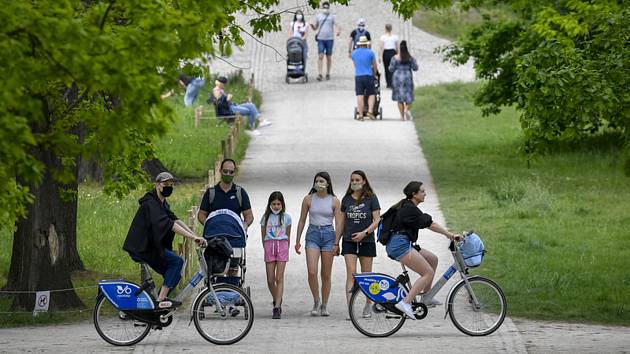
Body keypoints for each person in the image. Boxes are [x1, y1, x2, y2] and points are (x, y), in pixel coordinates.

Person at [123, 172, 207, 309]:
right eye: (165, 184)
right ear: (157, 185)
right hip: (142, 247)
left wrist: (195, 235)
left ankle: (155, 306)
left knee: (175, 274)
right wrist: (192, 238)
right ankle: (161, 301)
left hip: (150, 246)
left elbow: (175, 219)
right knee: (177, 262)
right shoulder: (151, 203)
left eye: (171, 184)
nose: (169, 187)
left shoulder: (161, 202)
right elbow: (169, 224)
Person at [384, 181, 460, 319]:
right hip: (399, 244)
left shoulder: (408, 206)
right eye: (423, 191)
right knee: (428, 273)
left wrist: (448, 234)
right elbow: (431, 224)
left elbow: (426, 224)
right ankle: (405, 303)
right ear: (414, 194)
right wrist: (450, 235)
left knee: (433, 259)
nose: (425, 194)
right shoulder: (410, 208)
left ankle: (427, 296)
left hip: (402, 242)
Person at [294, 171, 342, 316]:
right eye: (317, 181)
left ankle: (325, 305)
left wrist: (336, 243)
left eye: (322, 181)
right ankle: (316, 300)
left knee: (326, 274)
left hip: (328, 235)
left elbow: (339, 223)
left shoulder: (334, 200)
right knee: (312, 270)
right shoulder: (308, 199)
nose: (319, 184)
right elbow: (302, 220)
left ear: (328, 183)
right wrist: (297, 240)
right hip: (313, 234)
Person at [335, 170, 380, 319]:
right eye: (352, 180)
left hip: (366, 240)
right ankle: (350, 307)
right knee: (352, 272)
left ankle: (368, 304)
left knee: (366, 275)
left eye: (357, 180)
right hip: (349, 241)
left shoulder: (371, 198)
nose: (354, 182)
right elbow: (341, 223)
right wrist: (336, 242)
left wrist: (364, 233)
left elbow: (377, 220)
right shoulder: (346, 199)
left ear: (364, 181)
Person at [260, 191, 292, 319]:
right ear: (269, 204)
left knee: (279, 278)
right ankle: (277, 298)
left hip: (282, 246)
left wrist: (286, 247)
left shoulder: (287, 217)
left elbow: (288, 234)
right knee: (270, 279)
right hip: (269, 246)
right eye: (274, 204)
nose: (276, 206)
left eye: (279, 204)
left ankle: (277, 307)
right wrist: (266, 246)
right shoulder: (265, 217)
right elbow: (263, 235)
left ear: (282, 204)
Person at [310, 1, 341, 81]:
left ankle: (328, 73)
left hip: (329, 39)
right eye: (324, 7)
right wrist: (313, 27)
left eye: (327, 7)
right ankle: (320, 73)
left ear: (329, 8)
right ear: (322, 8)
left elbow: (337, 24)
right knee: (320, 55)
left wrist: (338, 31)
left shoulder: (332, 16)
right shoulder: (319, 16)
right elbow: (316, 27)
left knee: (328, 57)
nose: (326, 9)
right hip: (321, 38)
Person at [388, 40, 418, 120]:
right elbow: (415, 68)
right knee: (409, 97)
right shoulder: (410, 58)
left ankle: (402, 117)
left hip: (397, 77)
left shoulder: (395, 57)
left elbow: (390, 69)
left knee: (399, 98)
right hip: (407, 76)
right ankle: (406, 109)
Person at [351, 35, 378, 120]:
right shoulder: (370, 52)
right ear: (366, 44)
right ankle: (370, 111)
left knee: (360, 95)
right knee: (371, 93)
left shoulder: (354, 53)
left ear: (359, 44)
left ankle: (361, 114)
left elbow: (355, 65)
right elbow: (374, 65)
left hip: (358, 75)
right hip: (368, 75)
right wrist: (374, 74)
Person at [378, 24, 399, 88]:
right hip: (393, 52)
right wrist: (398, 54)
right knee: (393, 68)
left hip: (386, 53)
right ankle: (393, 82)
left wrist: (379, 56)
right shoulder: (395, 37)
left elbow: (381, 47)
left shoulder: (383, 37)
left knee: (386, 68)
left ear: (385, 29)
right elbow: (397, 47)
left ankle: (388, 83)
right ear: (391, 29)